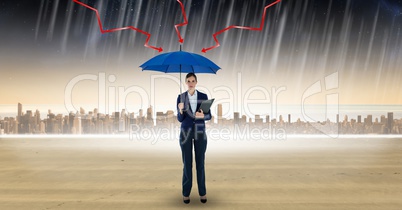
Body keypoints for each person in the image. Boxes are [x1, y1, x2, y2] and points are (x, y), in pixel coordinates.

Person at [176, 73, 211, 204]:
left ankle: (202, 192)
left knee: (200, 163)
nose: (191, 83)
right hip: (185, 132)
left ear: (196, 82)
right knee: (187, 163)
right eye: (188, 81)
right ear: (186, 82)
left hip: (200, 132)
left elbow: (209, 116)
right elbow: (180, 119)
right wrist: (180, 110)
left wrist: (203, 116)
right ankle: (186, 193)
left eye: (193, 81)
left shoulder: (203, 96)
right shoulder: (181, 97)